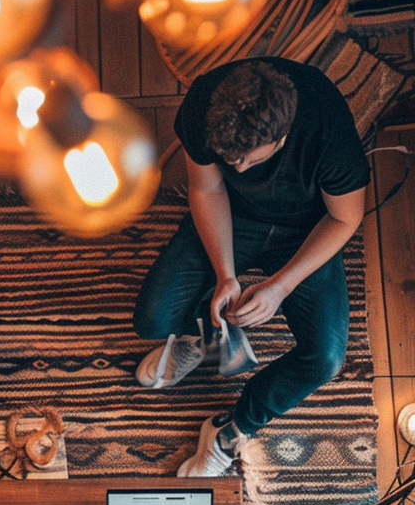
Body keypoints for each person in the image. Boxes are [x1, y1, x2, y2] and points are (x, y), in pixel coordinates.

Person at [133, 58, 369, 477]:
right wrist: (226, 274)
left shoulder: (329, 134)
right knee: (152, 318)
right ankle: (203, 338)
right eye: (230, 158)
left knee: (326, 359)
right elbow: (207, 187)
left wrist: (280, 287)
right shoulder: (204, 106)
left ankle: (232, 429)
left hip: (307, 229)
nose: (237, 168)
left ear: (282, 136)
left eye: (248, 160)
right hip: (234, 217)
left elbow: (345, 218)